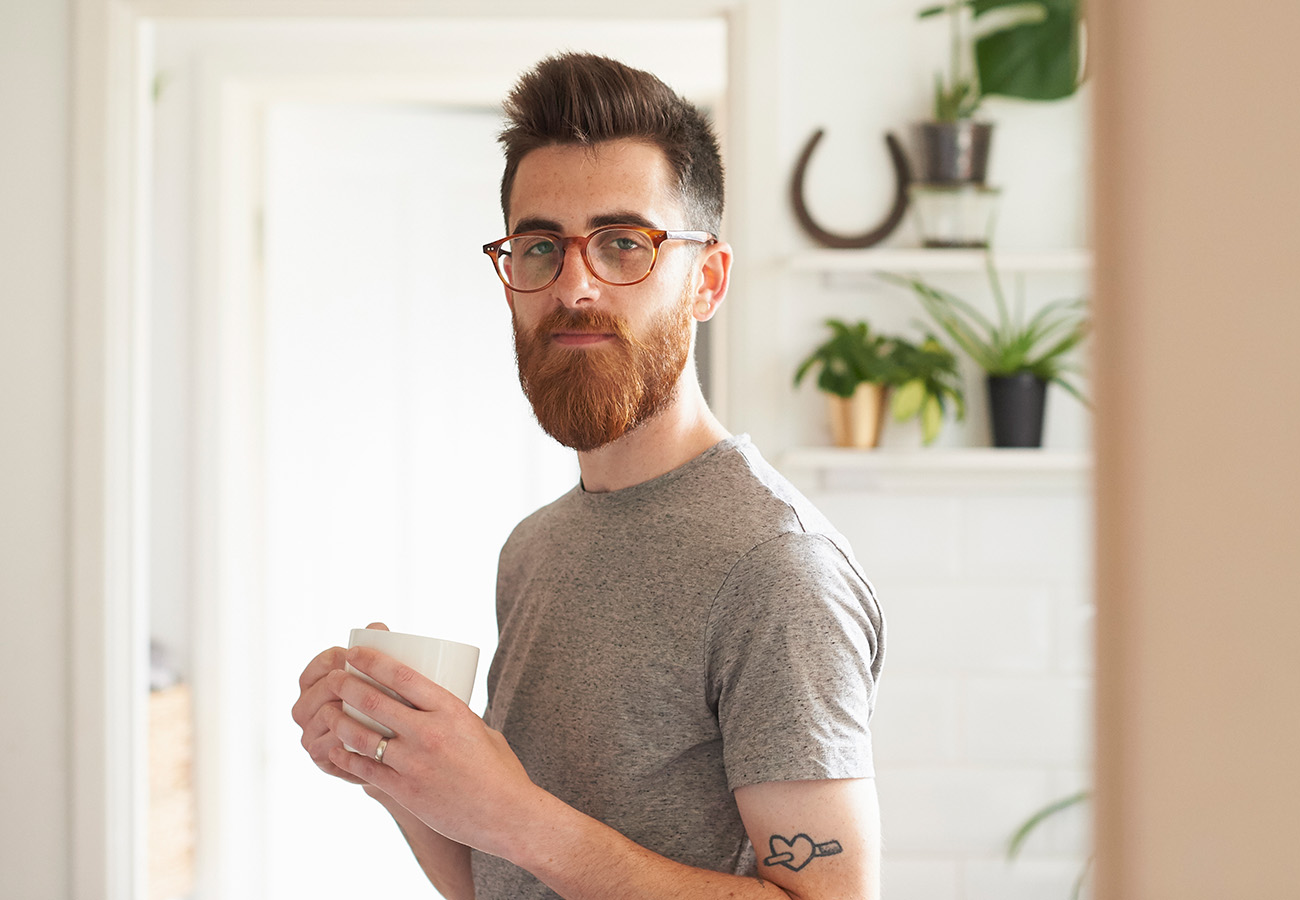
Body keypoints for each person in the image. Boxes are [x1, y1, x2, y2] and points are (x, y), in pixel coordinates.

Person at [289, 52, 885, 900]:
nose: (573, 287)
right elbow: (503, 878)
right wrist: (397, 768)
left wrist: (511, 813)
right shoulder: (533, 550)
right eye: (540, 247)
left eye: (622, 244)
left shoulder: (778, 570)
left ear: (706, 279)